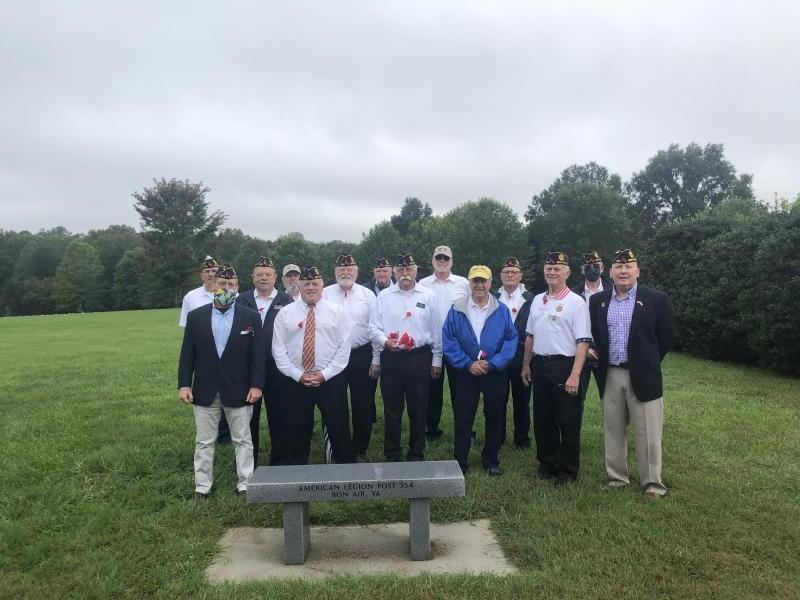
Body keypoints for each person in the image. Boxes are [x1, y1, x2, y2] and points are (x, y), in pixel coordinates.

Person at [589, 248, 675, 500]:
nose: (623, 271)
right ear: (611, 272)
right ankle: (617, 478)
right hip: (611, 374)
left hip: (643, 374)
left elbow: (666, 337)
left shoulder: (656, 299)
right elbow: (597, 335)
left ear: (637, 271)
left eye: (629, 266)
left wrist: (647, 361)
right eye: (618, 267)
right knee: (613, 429)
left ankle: (652, 484)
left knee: (647, 432)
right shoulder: (599, 301)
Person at [177, 265, 265, 500]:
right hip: (205, 388)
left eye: (232, 285)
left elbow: (258, 356)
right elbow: (187, 354)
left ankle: (245, 483)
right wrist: (184, 384)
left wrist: (257, 385)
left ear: (238, 287)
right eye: (222, 284)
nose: (227, 289)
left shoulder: (251, 318)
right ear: (213, 285)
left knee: (243, 439)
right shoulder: (196, 317)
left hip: (239, 389)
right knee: (204, 441)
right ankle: (202, 486)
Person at [272, 266, 355, 465]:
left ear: (322, 286)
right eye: (306, 283)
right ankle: (297, 469)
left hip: (330, 379)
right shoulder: (285, 314)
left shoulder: (337, 312)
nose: (310, 287)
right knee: (297, 427)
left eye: (315, 283)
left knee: (338, 425)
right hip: (297, 380)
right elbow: (278, 349)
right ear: (298, 285)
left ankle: (345, 468)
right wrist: (296, 374)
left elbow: (344, 349)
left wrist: (324, 374)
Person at [521, 251, 592, 485]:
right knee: (543, 418)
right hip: (540, 364)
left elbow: (583, 341)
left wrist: (575, 374)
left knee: (568, 420)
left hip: (565, 365)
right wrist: (526, 365)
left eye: (557, 269)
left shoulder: (576, 302)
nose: (552, 272)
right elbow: (530, 336)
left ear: (567, 273)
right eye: (549, 268)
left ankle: (568, 471)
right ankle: (547, 463)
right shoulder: (538, 300)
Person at [443, 265, 517, 475]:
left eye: (483, 281)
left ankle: (491, 460)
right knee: (464, 417)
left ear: (490, 283)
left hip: (494, 372)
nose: (479, 285)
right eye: (475, 281)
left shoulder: (500, 309)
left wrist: (493, 363)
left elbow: (511, 339)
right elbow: (449, 340)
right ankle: (460, 461)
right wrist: (467, 363)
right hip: (467, 372)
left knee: (494, 416)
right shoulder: (456, 309)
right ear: (469, 283)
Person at [369, 253, 442, 462]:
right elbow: (373, 328)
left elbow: (436, 330)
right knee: (392, 408)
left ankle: (416, 452)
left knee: (418, 407)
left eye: (408, 269)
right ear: (394, 272)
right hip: (392, 357)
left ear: (416, 271)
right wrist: (384, 343)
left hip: (419, 358)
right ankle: (392, 452)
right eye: (400, 270)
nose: (405, 274)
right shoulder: (384, 297)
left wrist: (437, 358)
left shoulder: (428, 296)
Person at [236, 256, 294, 465]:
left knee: (279, 416)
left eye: (267, 274)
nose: (263, 278)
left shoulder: (286, 301)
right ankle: (247, 463)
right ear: (252, 277)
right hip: (248, 368)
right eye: (259, 274)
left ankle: (279, 462)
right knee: (247, 418)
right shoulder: (241, 300)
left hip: (277, 368)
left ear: (275, 277)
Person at [323, 254, 381, 462]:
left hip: (361, 354)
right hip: (332, 356)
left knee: (362, 403)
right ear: (335, 272)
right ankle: (339, 448)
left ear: (357, 272)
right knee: (334, 402)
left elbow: (375, 328)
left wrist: (376, 359)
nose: (345, 273)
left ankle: (359, 449)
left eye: (350, 269)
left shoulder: (368, 295)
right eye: (341, 269)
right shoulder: (324, 294)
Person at [418, 245, 469, 441]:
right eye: (438, 258)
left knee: (462, 390)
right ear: (432, 261)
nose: (442, 261)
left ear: (451, 261)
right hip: (430, 345)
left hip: (457, 345)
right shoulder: (422, 284)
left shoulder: (463, 283)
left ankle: (464, 430)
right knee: (431, 390)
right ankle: (431, 429)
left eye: (445, 258)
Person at [494, 256, 533, 449]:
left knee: (522, 400)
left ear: (520, 276)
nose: (510, 275)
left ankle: (522, 438)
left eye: (514, 272)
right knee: (498, 399)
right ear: (500, 276)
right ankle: (498, 436)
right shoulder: (493, 298)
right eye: (506, 272)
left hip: (522, 356)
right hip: (498, 356)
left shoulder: (531, 299)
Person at [572, 250, 609, 399]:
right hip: (580, 351)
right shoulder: (573, 294)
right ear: (582, 270)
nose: (592, 269)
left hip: (605, 352)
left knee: (610, 399)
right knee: (576, 400)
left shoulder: (612, 291)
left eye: (596, 266)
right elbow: (569, 324)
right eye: (588, 267)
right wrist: (583, 348)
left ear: (602, 268)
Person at [178, 255, 219, 327]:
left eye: (214, 271)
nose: (210, 274)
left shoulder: (231, 295)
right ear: (202, 276)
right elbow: (186, 326)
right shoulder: (190, 297)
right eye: (207, 271)